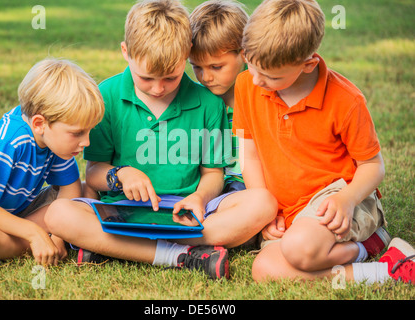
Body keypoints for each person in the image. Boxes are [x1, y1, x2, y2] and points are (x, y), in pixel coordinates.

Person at [45, 0, 277, 280]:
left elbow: (214, 173)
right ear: (126, 52)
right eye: (146, 78)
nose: (158, 88)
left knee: (262, 202)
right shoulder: (105, 96)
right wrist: (121, 175)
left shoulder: (207, 104)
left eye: (171, 77)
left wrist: (199, 198)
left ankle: (113, 247)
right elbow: (94, 171)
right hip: (124, 210)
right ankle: (179, 254)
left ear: (186, 56)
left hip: (190, 213)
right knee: (58, 213)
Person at [232, 0, 414, 284]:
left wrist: (346, 200)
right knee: (264, 269)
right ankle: (380, 267)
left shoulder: (346, 101)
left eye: (270, 76)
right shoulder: (246, 85)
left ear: (308, 65)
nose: (255, 81)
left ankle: (371, 239)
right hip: (291, 215)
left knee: (297, 249)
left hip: (339, 198)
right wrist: (265, 212)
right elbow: (250, 155)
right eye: (250, 65)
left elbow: (373, 167)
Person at [0, 58, 105, 267]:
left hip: (18, 210)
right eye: (77, 133)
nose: (86, 142)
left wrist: (58, 236)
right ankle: (23, 244)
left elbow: (70, 189)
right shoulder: (7, 143)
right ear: (40, 123)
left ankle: (15, 245)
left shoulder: (53, 138)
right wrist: (32, 232)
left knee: (86, 191)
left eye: (89, 131)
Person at [188, 0, 248, 194]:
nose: (206, 77)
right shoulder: (197, 102)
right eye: (196, 66)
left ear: (244, 54)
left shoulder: (263, 97)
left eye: (216, 67)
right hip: (208, 191)